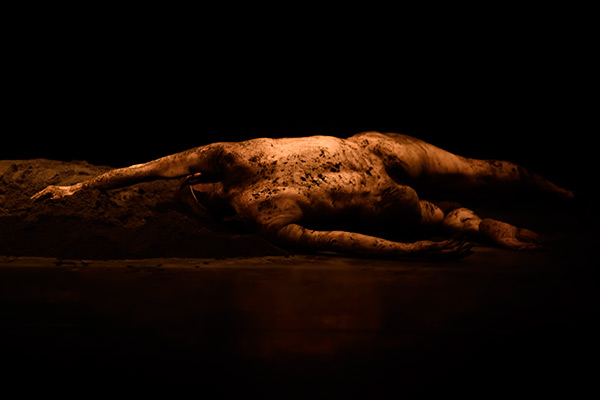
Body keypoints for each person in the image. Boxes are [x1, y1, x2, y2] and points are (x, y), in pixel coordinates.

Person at [32, 131, 573, 259]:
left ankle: (486, 223)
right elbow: (333, 240)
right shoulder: (237, 162)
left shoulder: (252, 202)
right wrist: (405, 252)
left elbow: (333, 239)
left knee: (455, 207)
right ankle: (543, 200)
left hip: (376, 183)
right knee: (476, 178)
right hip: (368, 157)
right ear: (198, 186)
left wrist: (80, 185)